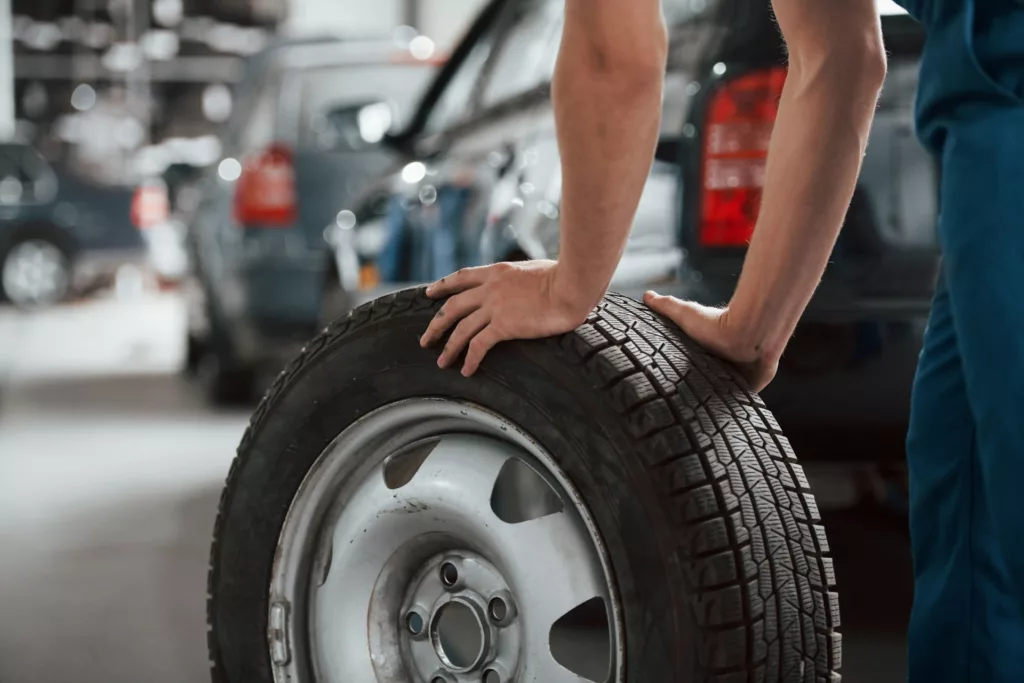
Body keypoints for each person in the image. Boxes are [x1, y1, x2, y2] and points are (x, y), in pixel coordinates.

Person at [419, 0, 1024, 680]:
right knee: (968, 513)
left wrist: (570, 286)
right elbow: (839, 58)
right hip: (986, 92)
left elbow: (612, 59)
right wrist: (754, 326)